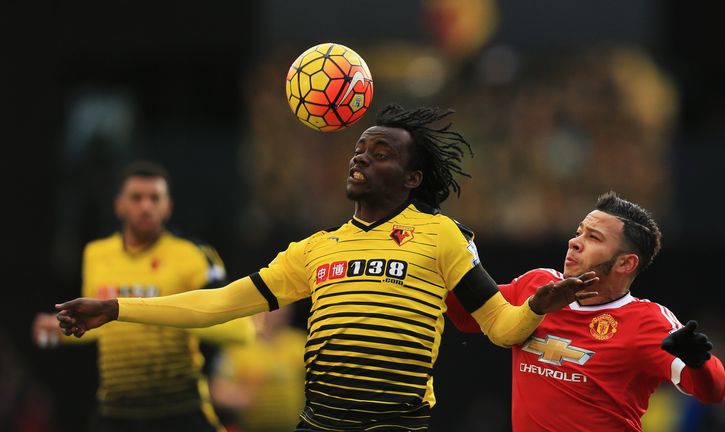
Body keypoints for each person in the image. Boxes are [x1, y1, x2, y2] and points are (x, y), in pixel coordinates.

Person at [56, 105, 599, 432]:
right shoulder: (314, 249)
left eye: (381, 152)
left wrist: (537, 305)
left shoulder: (442, 235)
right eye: (359, 150)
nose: (360, 157)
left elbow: (500, 327)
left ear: (412, 179)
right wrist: (117, 308)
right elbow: (218, 304)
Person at [445, 191, 725, 431]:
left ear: (625, 264)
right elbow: (469, 318)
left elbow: (713, 392)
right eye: (578, 232)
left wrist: (698, 362)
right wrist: (449, 256)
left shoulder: (647, 321)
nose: (575, 241)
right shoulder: (539, 286)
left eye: (593, 238)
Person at [33, 160, 255, 432]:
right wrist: (62, 328)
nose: (146, 206)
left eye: (155, 198)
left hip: (179, 409)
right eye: (137, 197)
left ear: (168, 207)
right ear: (119, 205)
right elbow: (101, 326)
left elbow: (239, 329)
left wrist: (169, 310)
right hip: (117, 410)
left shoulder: (193, 256)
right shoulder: (96, 254)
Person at [209, 305, 307, 432]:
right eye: (276, 307)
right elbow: (217, 390)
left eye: (286, 306)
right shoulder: (238, 346)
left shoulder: (300, 342)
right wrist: (239, 397)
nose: (282, 312)